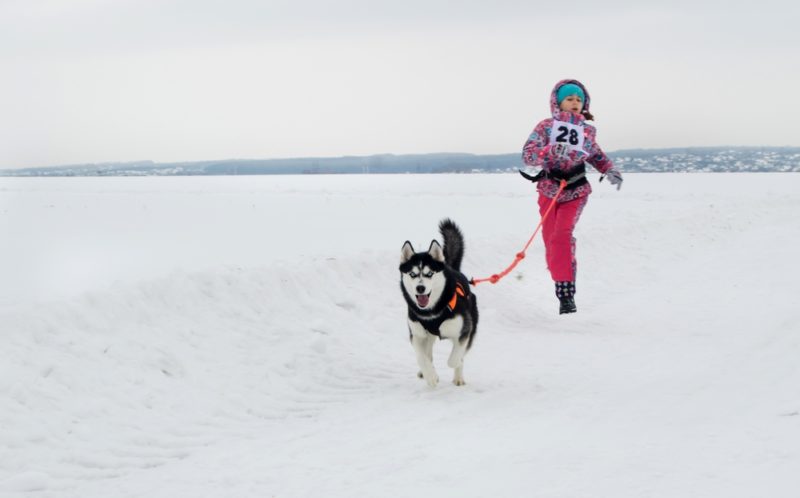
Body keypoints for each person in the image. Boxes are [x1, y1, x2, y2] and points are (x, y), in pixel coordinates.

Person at [520, 79, 622, 315]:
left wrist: (609, 169)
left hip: (576, 190)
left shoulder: (587, 130)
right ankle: (560, 281)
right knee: (550, 241)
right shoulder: (546, 127)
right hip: (549, 189)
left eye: (579, 99)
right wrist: (548, 151)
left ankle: (566, 293)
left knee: (562, 235)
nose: (575, 103)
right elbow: (528, 155)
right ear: (558, 103)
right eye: (570, 99)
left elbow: (595, 155)